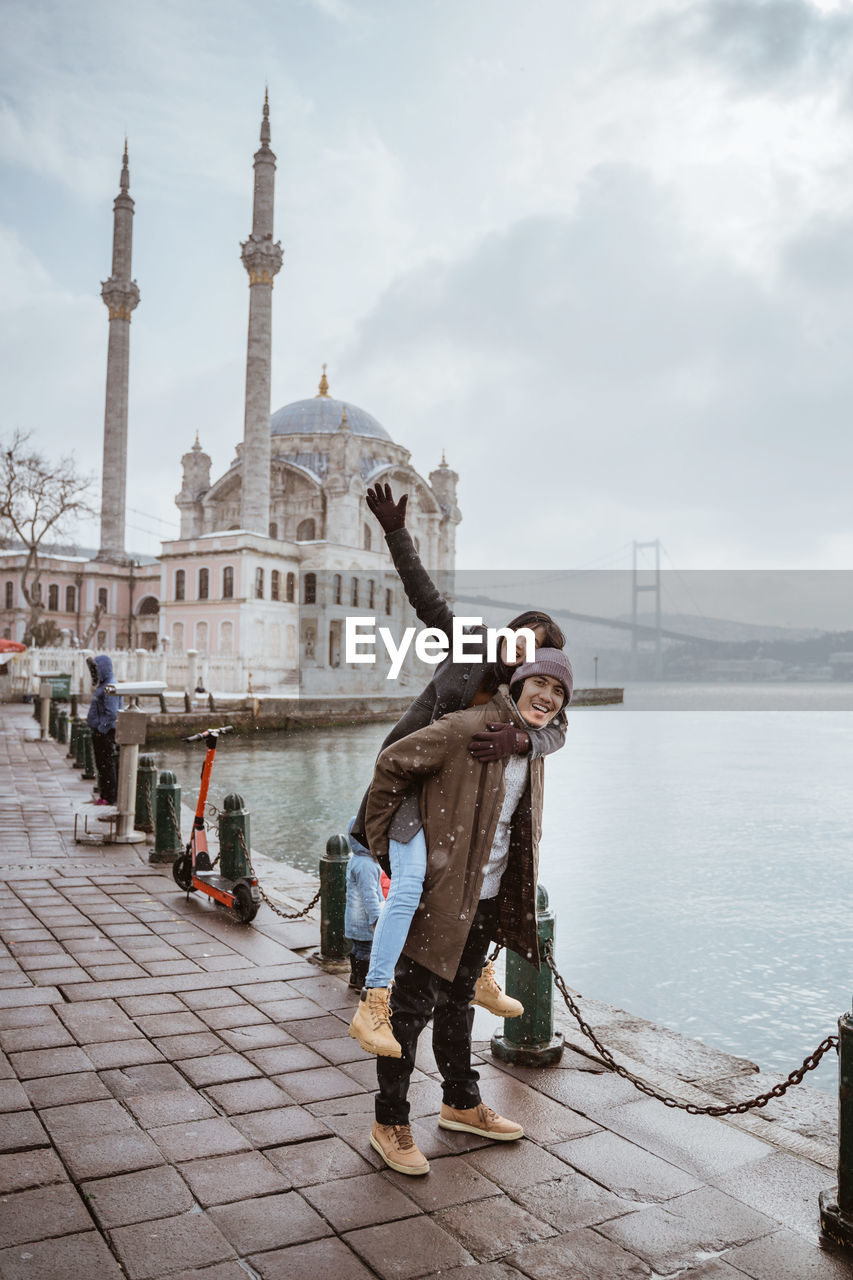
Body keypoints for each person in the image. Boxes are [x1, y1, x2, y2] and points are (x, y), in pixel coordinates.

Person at [348, 483, 569, 1057]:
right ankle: (374, 999)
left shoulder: (526, 706)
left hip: (457, 813)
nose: (526, 653)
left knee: (492, 879)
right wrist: (397, 533)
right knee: (411, 887)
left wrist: (525, 737)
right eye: (525, 639)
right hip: (415, 795)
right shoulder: (470, 647)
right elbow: (426, 599)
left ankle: (480, 977)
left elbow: (560, 729)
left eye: (540, 652)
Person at [361, 648, 573, 1175]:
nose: (547, 696)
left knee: (459, 1001)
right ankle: (389, 1121)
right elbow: (390, 764)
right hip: (442, 894)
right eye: (539, 683)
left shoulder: (532, 744)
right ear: (518, 683)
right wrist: (388, 847)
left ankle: (460, 1102)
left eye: (559, 690)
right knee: (407, 1013)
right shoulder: (470, 726)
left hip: (487, 892)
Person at [345, 821, 385, 990]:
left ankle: (354, 976)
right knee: (366, 951)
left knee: (358, 948)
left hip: (355, 918)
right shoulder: (367, 865)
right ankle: (363, 981)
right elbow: (369, 895)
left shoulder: (357, 860)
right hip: (364, 919)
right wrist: (376, 917)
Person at [86, 654, 120, 806]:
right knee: (102, 764)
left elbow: (112, 713)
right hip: (100, 732)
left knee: (106, 765)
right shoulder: (104, 684)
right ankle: (104, 794)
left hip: (105, 733)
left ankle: (109, 797)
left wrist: (101, 729)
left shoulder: (109, 686)